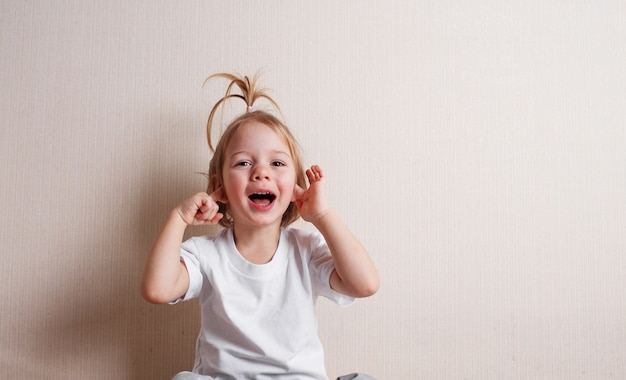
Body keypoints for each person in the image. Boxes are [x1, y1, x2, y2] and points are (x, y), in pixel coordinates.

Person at [140, 72, 379, 380]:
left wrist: (322, 216)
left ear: (295, 185)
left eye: (277, 163)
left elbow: (366, 284)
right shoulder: (205, 254)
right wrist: (178, 219)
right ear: (220, 187)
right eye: (243, 163)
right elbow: (157, 289)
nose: (261, 173)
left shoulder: (306, 250)